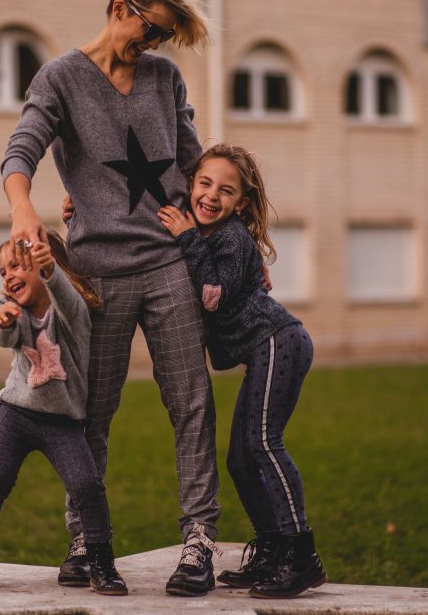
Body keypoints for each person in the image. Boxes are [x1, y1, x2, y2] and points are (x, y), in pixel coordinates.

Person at [0, 0, 221, 596]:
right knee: (92, 411)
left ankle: (199, 543)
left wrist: (224, 227)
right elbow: (21, 151)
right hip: (97, 277)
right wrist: (27, 208)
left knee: (192, 403)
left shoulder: (164, 78)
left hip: (168, 266)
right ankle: (86, 541)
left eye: (164, 36)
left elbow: (190, 161)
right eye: (151, 29)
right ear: (123, 4)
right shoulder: (61, 78)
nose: (153, 45)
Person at [157, 143, 327, 599]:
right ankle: (271, 549)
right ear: (190, 185)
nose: (211, 196)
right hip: (264, 348)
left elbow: (213, 294)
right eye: (204, 183)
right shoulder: (212, 235)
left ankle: (301, 555)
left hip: (278, 341)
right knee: (239, 457)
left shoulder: (228, 237)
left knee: (263, 445)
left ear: (241, 203)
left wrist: (188, 237)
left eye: (225, 191)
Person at [0, 234, 127, 596]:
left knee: (86, 485)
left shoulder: (72, 311)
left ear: (46, 267)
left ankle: (102, 563)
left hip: (62, 422)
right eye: (3, 270)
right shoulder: (14, 312)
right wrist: (2, 321)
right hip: (15, 414)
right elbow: (4, 338)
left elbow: (63, 294)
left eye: (16, 266)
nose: (8, 276)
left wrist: (49, 268)